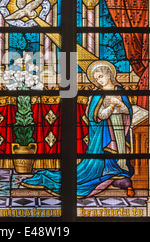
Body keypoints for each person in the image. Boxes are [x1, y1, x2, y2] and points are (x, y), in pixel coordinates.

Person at [22, 60, 135, 198]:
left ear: (110, 75)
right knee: (100, 165)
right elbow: (97, 116)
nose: (100, 80)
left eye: (101, 76)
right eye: (97, 78)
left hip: (120, 133)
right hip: (103, 136)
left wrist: (119, 103)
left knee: (121, 157)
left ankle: (120, 172)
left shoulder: (119, 91)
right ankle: (110, 173)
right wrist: (111, 106)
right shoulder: (97, 95)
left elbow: (127, 110)